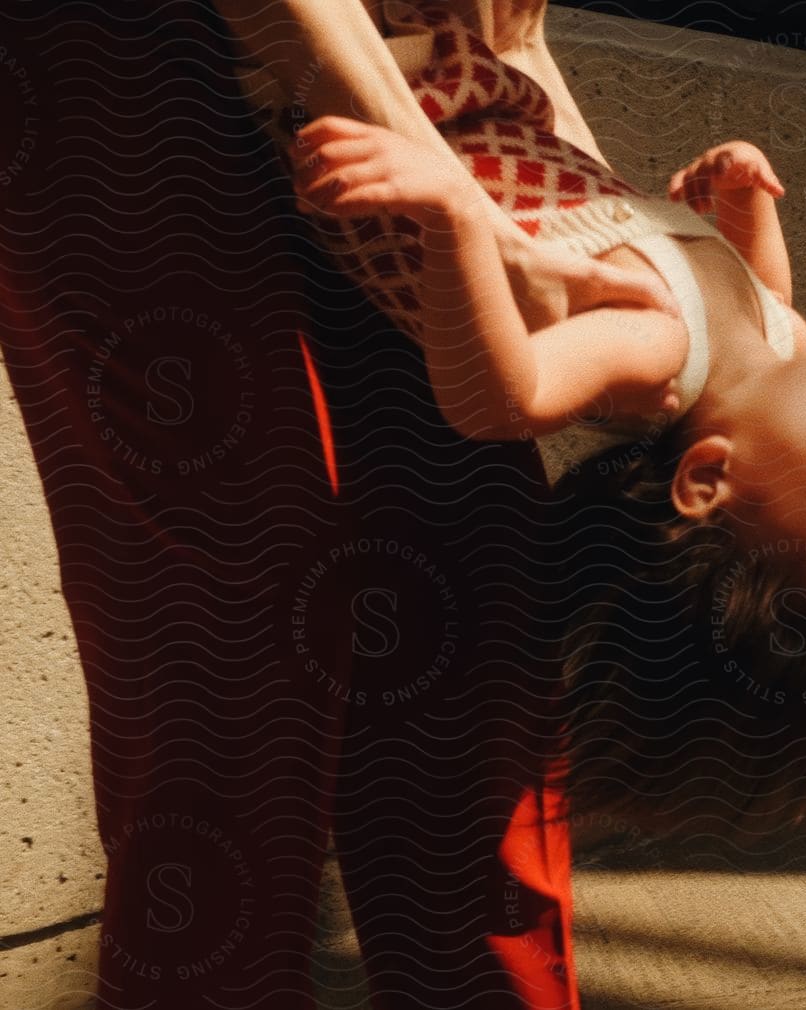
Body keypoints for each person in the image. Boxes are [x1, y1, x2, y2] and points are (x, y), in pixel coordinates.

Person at [0, 1, 606, 1004]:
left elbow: (512, 33)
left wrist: (565, 229)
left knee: (475, 576)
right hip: (113, 42)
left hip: (387, 39)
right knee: (243, 592)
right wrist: (469, 212)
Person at [290, 2, 806, 833]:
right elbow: (770, 293)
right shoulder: (777, 333)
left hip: (405, 104)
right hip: (475, 85)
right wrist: (742, 200)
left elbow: (502, 402)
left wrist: (454, 217)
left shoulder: (653, 348)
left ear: (708, 477)